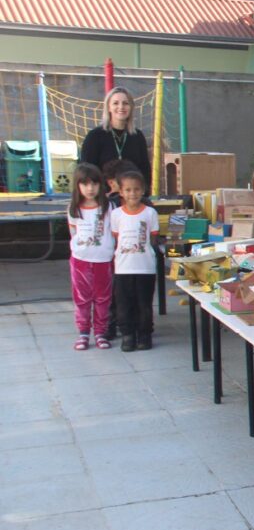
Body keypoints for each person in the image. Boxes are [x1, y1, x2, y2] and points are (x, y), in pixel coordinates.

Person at [109, 170, 159, 352]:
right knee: (124, 304)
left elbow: (153, 238)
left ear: (143, 190)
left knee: (144, 304)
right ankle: (128, 335)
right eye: (128, 190)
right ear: (121, 192)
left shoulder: (150, 213)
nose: (133, 194)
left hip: (145, 267)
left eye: (137, 189)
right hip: (123, 268)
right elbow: (116, 238)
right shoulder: (115, 215)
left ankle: (144, 334)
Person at [67, 164, 115, 350]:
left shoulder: (108, 206)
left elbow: (113, 230)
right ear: (78, 186)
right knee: (81, 298)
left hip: (103, 259)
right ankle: (83, 332)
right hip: (80, 260)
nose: (90, 188)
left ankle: (101, 332)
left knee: (103, 298)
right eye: (85, 184)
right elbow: (73, 233)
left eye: (94, 183)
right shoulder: (73, 208)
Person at [81, 87, 150, 193]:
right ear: (108, 107)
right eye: (116, 103)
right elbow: (87, 170)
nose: (121, 107)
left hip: (131, 198)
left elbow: (145, 170)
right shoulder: (95, 136)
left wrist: (143, 194)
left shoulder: (137, 136)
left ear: (131, 107)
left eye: (125, 103)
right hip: (104, 197)